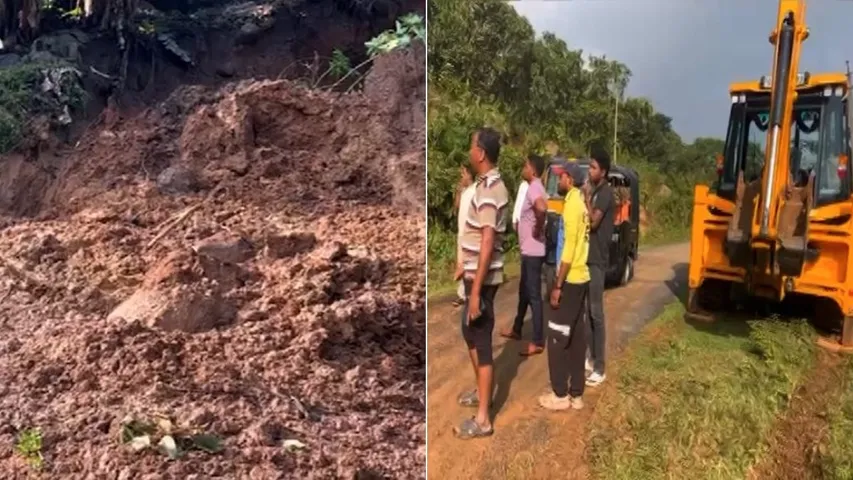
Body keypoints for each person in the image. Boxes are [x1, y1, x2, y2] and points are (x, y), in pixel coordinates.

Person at [453, 127, 510, 439]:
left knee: (482, 341)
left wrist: (475, 293)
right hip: (475, 274)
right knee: (469, 331)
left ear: (481, 153)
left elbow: (487, 241)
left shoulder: (490, 190)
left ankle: (484, 420)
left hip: (483, 280)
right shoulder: (485, 185)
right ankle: (480, 391)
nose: (469, 149)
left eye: (471, 144)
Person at [539, 160, 590, 411]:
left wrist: (557, 285)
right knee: (578, 337)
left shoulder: (572, 205)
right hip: (582, 277)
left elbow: (568, 249)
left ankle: (559, 394)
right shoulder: (580, 203)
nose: (558, 181)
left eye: (561, 177)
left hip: (569, 279)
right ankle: (576, 394)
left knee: (557, 334)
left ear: (569, 179)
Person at [500, 154, 547, 355]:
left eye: (526, 166)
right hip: (529, 251)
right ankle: (517, 329)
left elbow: (542, 209)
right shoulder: (534, 186)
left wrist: (537, 229)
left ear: (533, 170)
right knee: (524, 292)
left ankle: (537, 341)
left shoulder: (535, 186)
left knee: (534, 296)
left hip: (533, 252)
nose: (524, 168)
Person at [584, 148, 615, 387]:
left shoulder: (604, 193)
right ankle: (591, 357)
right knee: (589, 312)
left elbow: (593, 223)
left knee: (596, 312)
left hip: (597, 259)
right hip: (588, 258)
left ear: (603, 172)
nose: (589, 170)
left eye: (593, 167)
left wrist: (585, 199)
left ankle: (600, 367)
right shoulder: (597, 191)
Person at [453, 166, 476, 308]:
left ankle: (469, 294)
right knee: (461, 263)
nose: (461, 176)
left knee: (468, 264)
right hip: (461, 232)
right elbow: (456, 206)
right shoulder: (465, 191)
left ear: (469, 174)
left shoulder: (475, 191)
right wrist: (458, 190)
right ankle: (463, 294)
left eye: (463, 174)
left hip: (469, 233)